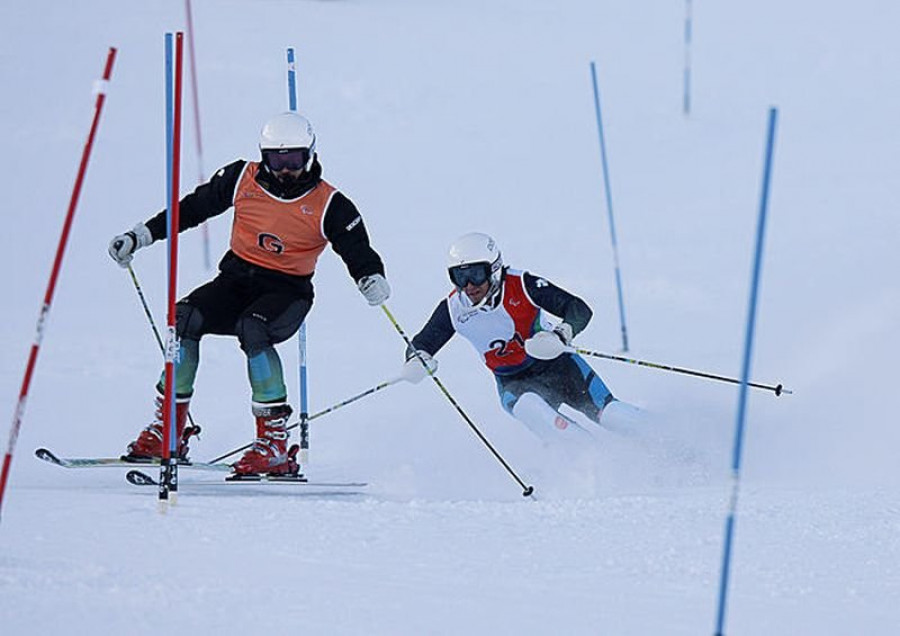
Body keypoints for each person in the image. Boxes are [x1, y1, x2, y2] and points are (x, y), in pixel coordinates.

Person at [108, 112, 390, 477]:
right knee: (183, 318)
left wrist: (370, 276)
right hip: (236, 280)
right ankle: (169, 431)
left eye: (293, 160)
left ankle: (272, 444)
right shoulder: (242, 177)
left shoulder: (330, 204)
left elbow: (357, 248)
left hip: (287, 291)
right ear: (264, 156)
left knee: (252, 328)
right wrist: (141, 235)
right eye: (276, 159)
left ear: (310, 154)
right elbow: (193, 208)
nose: (285, 169)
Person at [401, 232, 635, 443]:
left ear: (494, 269)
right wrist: (416, 359)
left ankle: (667, 438)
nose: (469, 286)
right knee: (531, 409)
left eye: (476, 274)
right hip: (514, 383)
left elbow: (578, 309)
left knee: (614, 416)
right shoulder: (454, 308)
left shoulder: (522, 285)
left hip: (561, 368)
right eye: (459, 277)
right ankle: (598, 466)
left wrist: (560, 335)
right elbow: (422, 343)